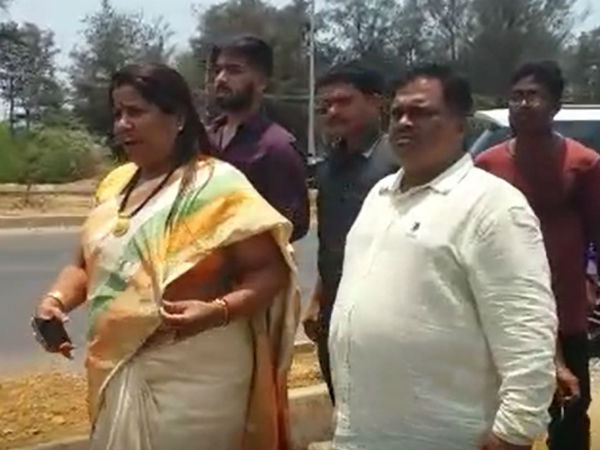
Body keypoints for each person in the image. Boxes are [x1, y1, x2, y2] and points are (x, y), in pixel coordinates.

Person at [33, 63, 300, 450]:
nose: (123, 124)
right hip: (115, 366)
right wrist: (54, 302)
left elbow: (269, 271)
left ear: (178, 118)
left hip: (196, 373)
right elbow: (83, 265)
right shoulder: (114, 185)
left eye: (136, 112)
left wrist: (217, 311)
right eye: (118, 113)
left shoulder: (218, 186)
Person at [328, 63, 557, 450]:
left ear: (459, 125)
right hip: (361, 432)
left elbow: (527, 332)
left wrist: (514, 432)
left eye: (421, 112)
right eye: (397, 113)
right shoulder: (380, 195)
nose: (404, 122)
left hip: (447, 436)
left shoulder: (492, 206)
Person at [476, 60, 600, 450]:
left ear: (556, 105)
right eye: (516, 96)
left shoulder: (583, 163)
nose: (523, 104)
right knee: (504, 409)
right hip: (505, 304)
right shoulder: (487, 165)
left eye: (534, 96)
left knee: (571, 405)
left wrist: (591, 281)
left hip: (566, 304)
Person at [301, 62, 398, 401]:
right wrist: (317, 300)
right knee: (343, 406)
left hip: (387, 313)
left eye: (343, 101)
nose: (332, 111)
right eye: (325, 105)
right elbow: (331, 242)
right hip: (335, 311)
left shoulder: (399, 163)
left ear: (376, 102)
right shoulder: (329, 168)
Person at [207, 34, 309, 242]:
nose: (221, 79)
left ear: (261, 82)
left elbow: (291, 226)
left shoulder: (276, 147)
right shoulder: (206, 139)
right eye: (218, 70)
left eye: (234, 71)